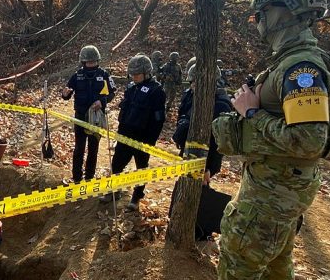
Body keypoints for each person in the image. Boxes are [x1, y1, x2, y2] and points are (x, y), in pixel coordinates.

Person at [212, 0, 330, 280]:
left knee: (237, 275)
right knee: (275, 269)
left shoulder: (302, 68)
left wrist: (250, 114)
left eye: (263, 12)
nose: (259, 21)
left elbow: (309, 141)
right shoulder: (292, 63)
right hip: (281, 190)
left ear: (285, 10)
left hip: (272, 195)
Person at [100, 54, 166, 211]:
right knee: (117, 164)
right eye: (132, 75)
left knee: (141, 168)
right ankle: (113, 190)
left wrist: (150, 142)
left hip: (143, 138)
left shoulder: (156, 91)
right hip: (125, 134)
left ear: (147, 73)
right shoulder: (130, 88)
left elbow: (158, 120)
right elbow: (125, 110)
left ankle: (136, 197)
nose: (134, 77)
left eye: (137, 74)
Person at [61, 45, 116, 183]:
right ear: (83, 62)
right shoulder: (77, 75)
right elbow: (67, 93)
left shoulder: (104, 75)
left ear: (98, 61)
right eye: (88, 62)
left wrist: (102, 102)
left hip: (97, 117)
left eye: (94, 62)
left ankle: (89, 178)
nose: (91, 65)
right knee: (79, 148)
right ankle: (77, 178)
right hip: (80, 116)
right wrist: (65, 94)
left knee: (93, 148)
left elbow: (112, 93)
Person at [172, 62, 232, 184]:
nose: (192, 86)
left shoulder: (221, 105)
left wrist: (209, 167)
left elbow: (218, 142)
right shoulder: (191, 95)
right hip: (188, 152)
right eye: (191, 82)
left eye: (196, 82)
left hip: (205, 160)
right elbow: (182, 116)